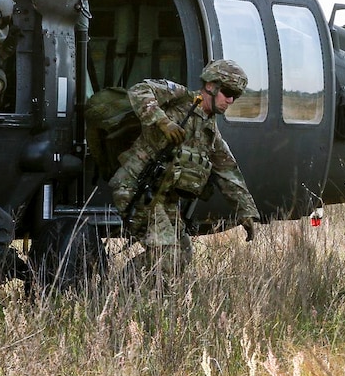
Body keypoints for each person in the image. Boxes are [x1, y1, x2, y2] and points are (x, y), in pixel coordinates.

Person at [110, 59, 260, 276]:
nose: (230, 100)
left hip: (163, 199)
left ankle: (139, 294)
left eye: (235, 96)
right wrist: (162, 121)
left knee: (184, 252)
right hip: (136, 190)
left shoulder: (210, 131)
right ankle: (119, 292)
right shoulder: (179, 98)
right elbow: (139, 90)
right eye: (227, 92)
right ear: (211, 86)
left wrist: (245, 212)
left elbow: (228, 172)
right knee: (168, 255)